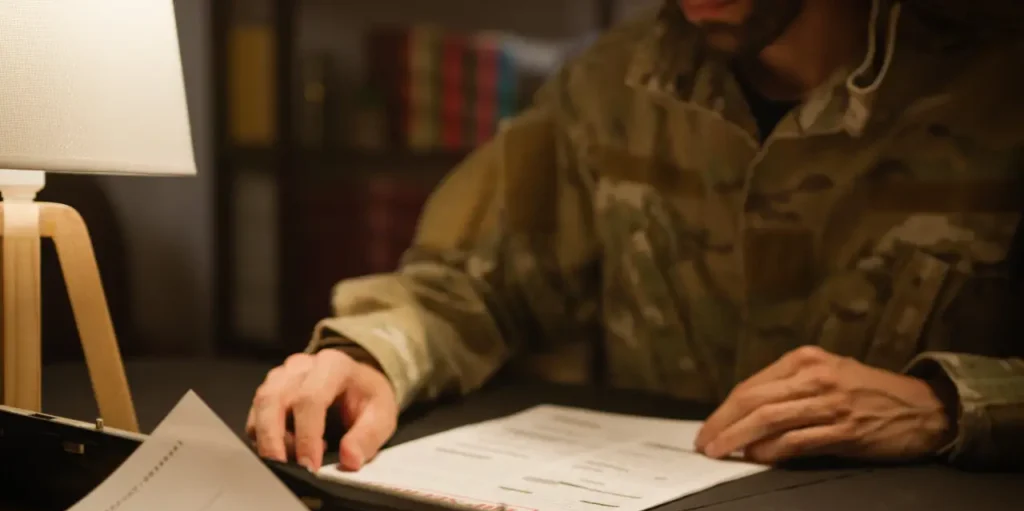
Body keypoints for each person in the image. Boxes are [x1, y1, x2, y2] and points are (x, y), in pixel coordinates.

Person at [247, 0, 1024, 474]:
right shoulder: (611, 86)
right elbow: (473, 284)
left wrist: (946, 409)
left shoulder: (999, 87)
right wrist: (370, 358)